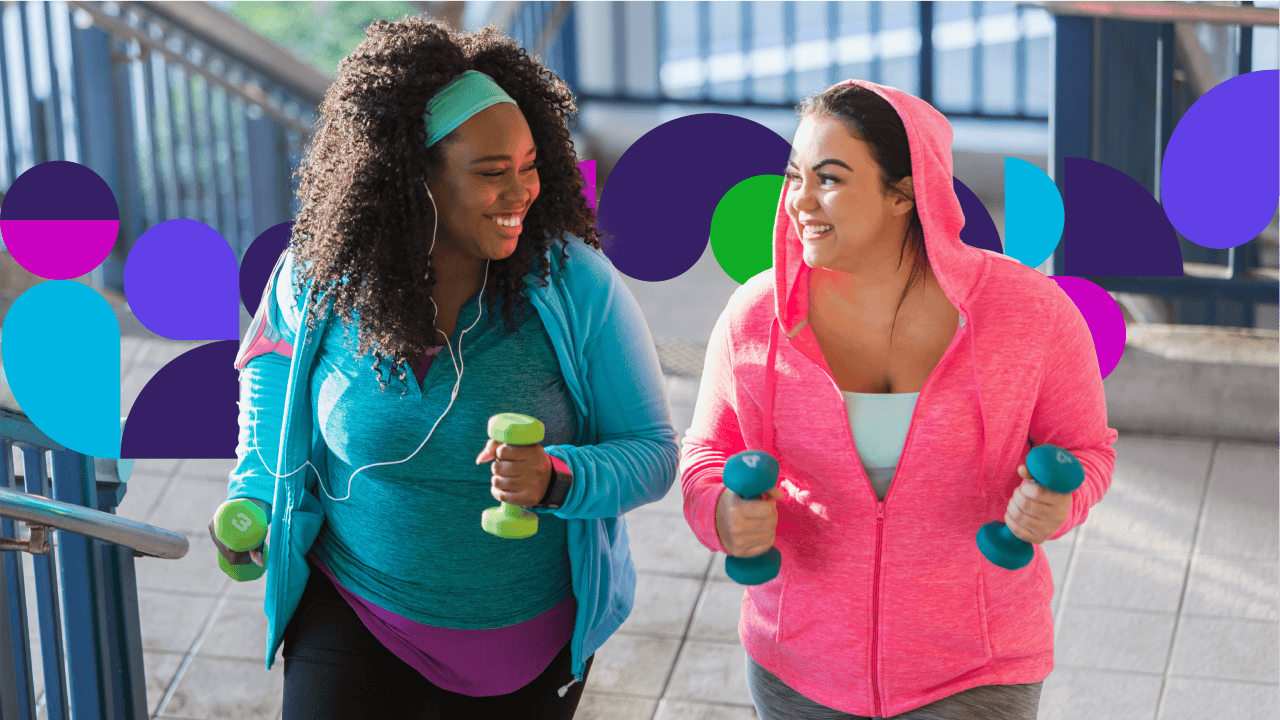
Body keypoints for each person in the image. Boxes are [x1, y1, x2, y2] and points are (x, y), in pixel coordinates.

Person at [211, 18, 678, 720]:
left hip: (525, 643)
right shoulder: (320, 276)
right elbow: (271, 385)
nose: (522, 191)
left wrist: (558, 479)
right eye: (493, 172)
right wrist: (252, 495)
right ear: (411, 176)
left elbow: (652, 453)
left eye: (530, 165)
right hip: (357, 611)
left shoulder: (579, 286)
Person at [679, 80, 1118, 720]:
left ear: (905, 193)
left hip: (977, 672)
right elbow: (706, 455)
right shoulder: (756, 317)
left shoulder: (1032, 315)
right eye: (794, 176)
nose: (799, 200)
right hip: (798, 670)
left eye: (829, 178)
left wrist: (1062, 502)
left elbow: (1088, 450)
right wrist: (720, 513)